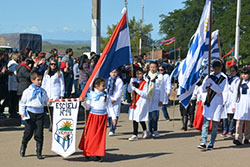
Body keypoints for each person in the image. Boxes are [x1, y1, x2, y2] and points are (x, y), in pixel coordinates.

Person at [78, 78, 114, 162]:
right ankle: (88, 152)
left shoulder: (106, 95)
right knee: (91, 135)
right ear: (96, 86)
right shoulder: (91, 95)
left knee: (100, 137)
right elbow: (88, 107)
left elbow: (109, 106)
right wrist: (83, 102)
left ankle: (98, 153)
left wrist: (113, 117)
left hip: (102, 117)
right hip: (93, 117)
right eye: (103, 86)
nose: (104, 87)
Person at [19, 71, 52, 159]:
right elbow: (22, 103)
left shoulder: (43, 91)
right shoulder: (27, 91)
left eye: (41, 80)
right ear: (32, 80)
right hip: (30, 114)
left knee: (39, 134)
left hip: (40, 114)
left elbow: (45, 102)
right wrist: (22, 113)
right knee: (28, 133)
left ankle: (39, 152)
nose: (40, 82)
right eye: (38, 80)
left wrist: (48, 102)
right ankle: (23, 145)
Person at [197, 60, 228, 150]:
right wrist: (207, 84)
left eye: (218, 69)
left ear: (221, 68)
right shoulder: (208, 76)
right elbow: (203, 89)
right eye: (215, 69)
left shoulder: (223, 78)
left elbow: (219, 90)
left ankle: (211, 143)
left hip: (218, 102)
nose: (216, 71)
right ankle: (203, 142)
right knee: (206, 123)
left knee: (214, 124)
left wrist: (212, 83)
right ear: (212, 68)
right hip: (209, 101)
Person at [41, 57, 65, 131]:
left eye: (54, 64)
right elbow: (44, 83)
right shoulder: (46, 72)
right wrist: (42, 92)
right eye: (51, 64)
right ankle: (49, 123)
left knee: (54, 110)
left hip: (55, 94)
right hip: (47, 93)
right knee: (47, 110)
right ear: (49, 64)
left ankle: (53, 125)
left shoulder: (59, 73)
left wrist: (61, 95)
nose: (53, 66)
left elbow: (62, 84)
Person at [127, 68, 148, 141]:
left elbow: (145, 94)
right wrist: (131, 83)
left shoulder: (145, 82)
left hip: (141, 102)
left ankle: (145, 130)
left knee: (139, 117)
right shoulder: (133, 81)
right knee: (135, 117)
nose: (139, 75)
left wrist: (135, 89)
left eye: (140, 74)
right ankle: (135, 134)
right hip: (134, 102)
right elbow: (129, 90)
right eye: (137, 74)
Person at [144, 62, 164, 138]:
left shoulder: (160, 77)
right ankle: (149, 131)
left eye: (154, 67)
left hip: (156, 98)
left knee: (155, 115)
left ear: (157, 68)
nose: (152, 69)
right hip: (148, 98)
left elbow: (162, 89)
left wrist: (161, 100)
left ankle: (155, 130)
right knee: (149, 116)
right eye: (151, 67)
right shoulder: (146, 76)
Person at [232, 67, 250, 145]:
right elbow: (235, 95)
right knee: (239, 121)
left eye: (246, 74)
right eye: (243, 74)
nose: (244, 75)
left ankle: (247, 138)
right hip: (240, 104)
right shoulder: (238, 83)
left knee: (248, 122)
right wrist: (233, 105)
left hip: (248, 104)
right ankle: (238, 138)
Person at [221, 65, 240, 137]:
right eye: (230, 71)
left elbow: (235, 92)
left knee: (232, 116)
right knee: (224, 115)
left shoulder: (237, 80)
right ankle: (225, 129)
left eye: (233, 71)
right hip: (225, 99)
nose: (231, 72)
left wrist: (234, 104)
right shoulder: (227, 79)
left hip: (232, 100)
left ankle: (230, 131)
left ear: (236, 72)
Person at [106, 69, 123, 136]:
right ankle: (111, 126)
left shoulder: (119, 81)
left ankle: (112, 129)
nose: (113, 74)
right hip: (108, 98)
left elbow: (119, 91)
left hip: (115, 100)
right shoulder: (108, 80)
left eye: (115, 72)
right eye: (112, 72)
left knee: (115, 114)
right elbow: (106, 88)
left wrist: (115, 98)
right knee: (109, 114)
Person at [7, 53, 19, 118]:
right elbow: (16, 74)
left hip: (12, 84)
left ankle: (12, 111)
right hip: (14, 84)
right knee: (13, 100)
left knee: (11, 99)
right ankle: (13, 112)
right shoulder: (14, 65)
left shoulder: (10, 64)